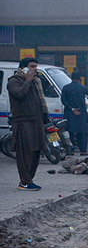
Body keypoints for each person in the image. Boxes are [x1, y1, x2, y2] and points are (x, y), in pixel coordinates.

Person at [7, 57, 49, 191]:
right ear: (23, 68)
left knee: (36, 151)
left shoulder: (37, 82)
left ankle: (28, 179)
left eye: (36, 66)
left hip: (36, 122)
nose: (35, 69)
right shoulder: (14, 81)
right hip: (23, 121)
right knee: (25, 152)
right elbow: (19, 94)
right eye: (32, 66)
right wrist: (28, 80)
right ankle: (25, 181)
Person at [61, 70, 88, 156]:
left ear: (71, 78)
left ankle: (71, 150)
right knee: (82, 132)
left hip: (70, 113)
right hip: (81, 113)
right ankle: (83, 151)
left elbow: (63, 100)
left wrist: (72, 108)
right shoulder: (82, 87)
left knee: (70, 132)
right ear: (80, 79)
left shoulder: (66, 88)